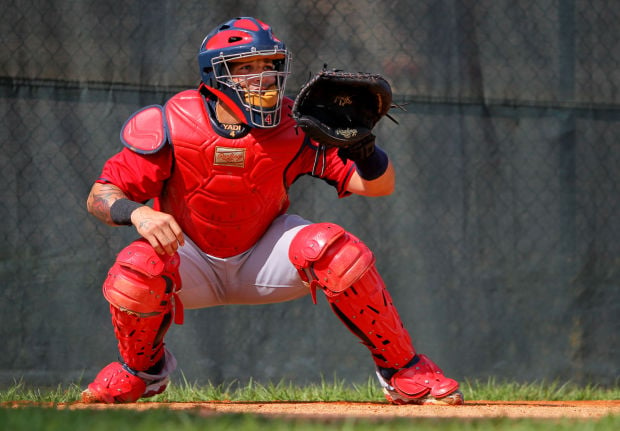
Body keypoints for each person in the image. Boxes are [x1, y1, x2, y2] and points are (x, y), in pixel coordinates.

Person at [82, 16, 463, 405]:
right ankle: (140, 373)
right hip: (189, 255)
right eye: (245, 67)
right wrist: (139, 214)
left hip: (260, 258)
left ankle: (403, 370)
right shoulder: (172, 120)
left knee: (338, 252)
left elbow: (379, 186)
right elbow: (100, 195)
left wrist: (364, 149)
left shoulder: (294, 123)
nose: (261, 76)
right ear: (215, 74)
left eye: (268, 65)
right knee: (135, 268)